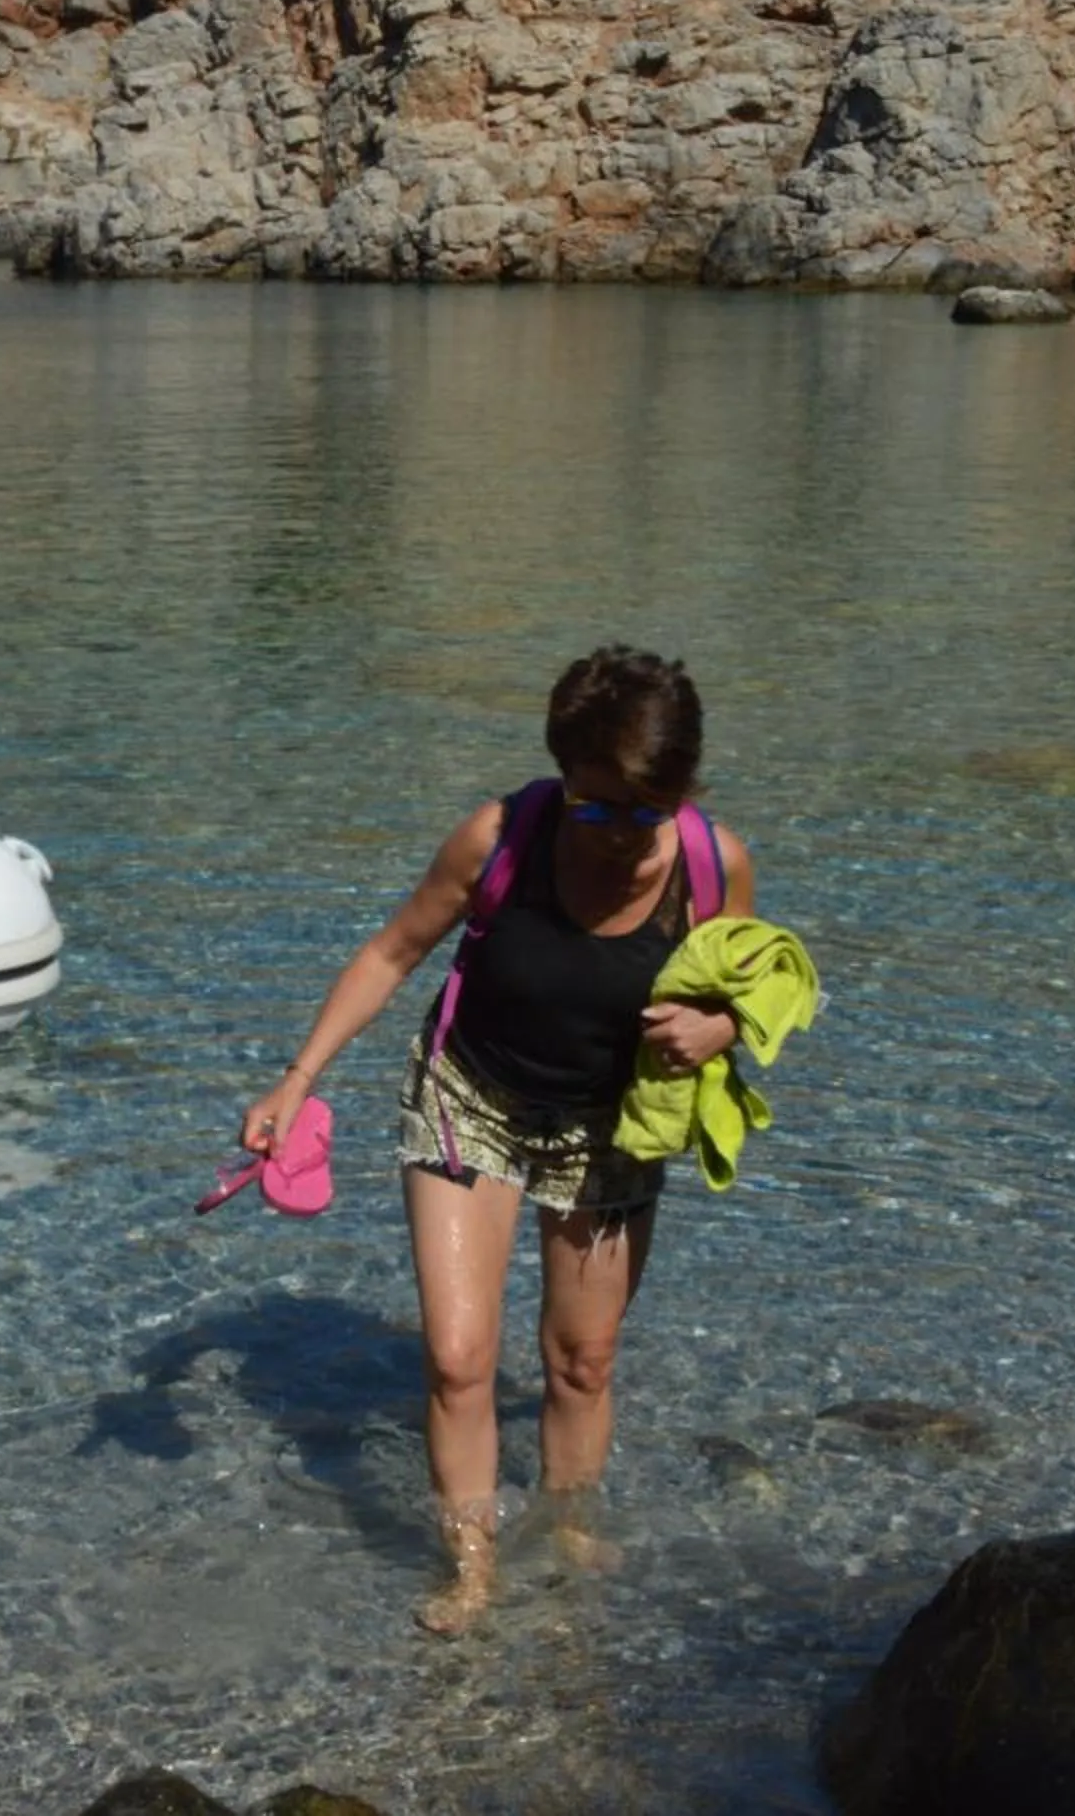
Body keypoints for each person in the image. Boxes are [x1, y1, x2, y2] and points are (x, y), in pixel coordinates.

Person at [238, 645, 754, 1634]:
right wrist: (296, 1081)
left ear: (681, 793)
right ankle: (471, 1568)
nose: (617, 836)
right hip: (469, 1095)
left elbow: (753, 986)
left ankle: (565, 1538)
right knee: (460, 1357)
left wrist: (718, 1028)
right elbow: (393, 949)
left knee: (581, 1360)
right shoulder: (497, 837)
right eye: (593, 807)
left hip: (613, 1122)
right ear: (561, 776)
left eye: (643, 813)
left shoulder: (710, 861)